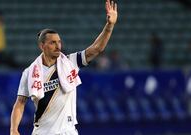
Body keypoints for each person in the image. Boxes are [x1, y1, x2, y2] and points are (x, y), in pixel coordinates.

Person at [10, 0, 117, 135]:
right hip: (43, 132)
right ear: (42, 46)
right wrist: (14, 130)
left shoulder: (70, 62)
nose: (58, 45)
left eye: (59, 42)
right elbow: (20, 103)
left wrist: (109, 26)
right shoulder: (30, 72)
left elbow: (96, 49)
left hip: (68, 131)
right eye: (53, 42)